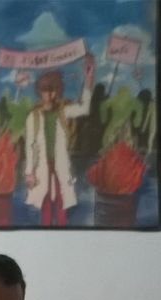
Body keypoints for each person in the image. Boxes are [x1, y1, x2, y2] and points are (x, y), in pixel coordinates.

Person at [24, 57, 94, 225]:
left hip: (60, 165)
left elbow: (84, 108)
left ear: (58, 91)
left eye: (53, 90)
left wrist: (88, 79)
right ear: (39, 91)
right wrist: (29, 173)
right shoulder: (33, 116)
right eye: (45, 90)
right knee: (45, 202)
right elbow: (30, 146)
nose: (49, 95)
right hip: (42, 167)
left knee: (62, 201)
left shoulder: (63, 112)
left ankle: (62, 232)